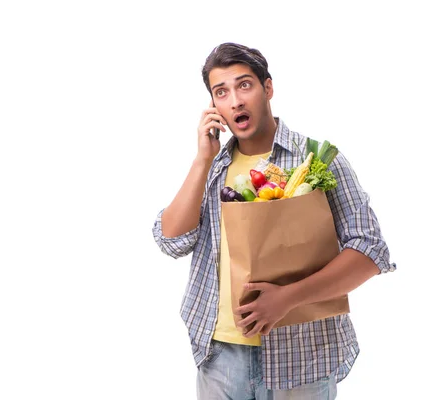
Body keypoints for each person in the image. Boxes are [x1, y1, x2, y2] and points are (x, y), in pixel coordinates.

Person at [151, 42, 396, 400]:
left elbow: (370, 251)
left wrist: (287, 298)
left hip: (302, 353)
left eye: (244, 85)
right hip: (220, 354)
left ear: (268, 88)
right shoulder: (213, 167)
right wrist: (203, 159)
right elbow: (172, 241)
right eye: (222, 92)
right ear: (214, 106)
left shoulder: (315, 160)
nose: (235, 100)